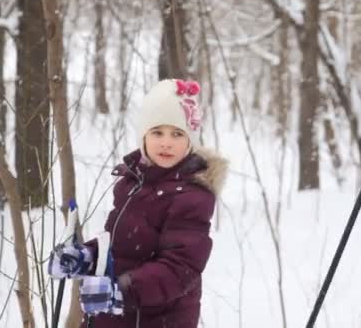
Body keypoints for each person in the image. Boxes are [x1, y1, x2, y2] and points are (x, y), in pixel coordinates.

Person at [48, 79, 228, 328]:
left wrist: (119, 291)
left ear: (190, 142)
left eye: (177, 134)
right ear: (143, 137)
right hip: (114, 318)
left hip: (157, 320)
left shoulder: (192, 197)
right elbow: (117, 247)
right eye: (157, 132)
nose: (166, 142)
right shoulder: (132, 183)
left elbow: (179, 269)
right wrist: (86, 256)